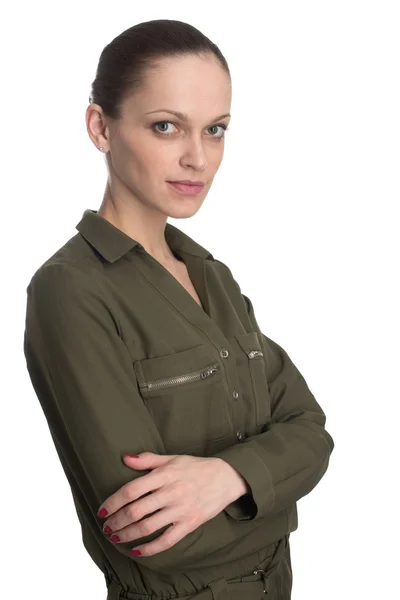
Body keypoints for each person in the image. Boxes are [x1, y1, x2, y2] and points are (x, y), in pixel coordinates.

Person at [23, 19, 334, 600]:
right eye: (166, 127)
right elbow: (156, 533)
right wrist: (276, 492)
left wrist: (229, 477)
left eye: (215, 129)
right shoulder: (70, 291)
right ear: (100, 127)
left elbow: (314, 433)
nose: (198, 157)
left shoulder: (213, 277)